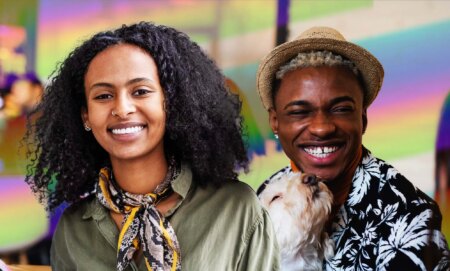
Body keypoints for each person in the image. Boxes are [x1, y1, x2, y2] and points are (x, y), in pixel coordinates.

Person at [24, 22, 279, 271]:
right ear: (86, 116)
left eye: (141, 91)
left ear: (170, 102)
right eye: (103, 96)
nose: (122, 109)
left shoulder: (236, 209)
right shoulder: (74, 229)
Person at [255, 26, 449, 270]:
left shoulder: (411, 219)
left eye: (341, 109)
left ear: (363, 118)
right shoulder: (261, 199)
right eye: (300, 112)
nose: (321, 128)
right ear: (275, 122)